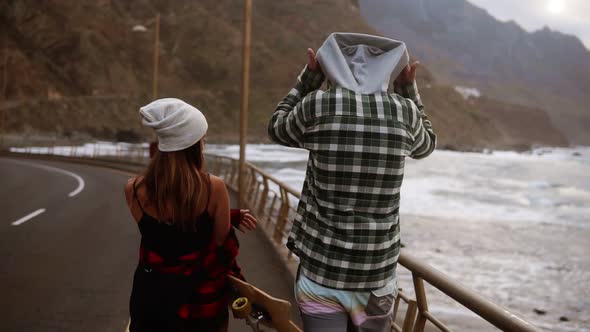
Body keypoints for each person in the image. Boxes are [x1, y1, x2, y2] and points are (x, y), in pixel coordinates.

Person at [268, 33, 436, 331]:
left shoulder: (318, 105)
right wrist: (409, 90)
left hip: (321, 271)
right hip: (376, 276)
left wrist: (309, 79)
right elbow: (426, 146)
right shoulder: (404, 112)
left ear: (330, 64)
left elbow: (277, 128)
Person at [124, 98, 257, 332]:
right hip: (200, 304)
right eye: (202, 139)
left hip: (151, 301)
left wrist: (229, 214)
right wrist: (227, 214)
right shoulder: (214, 188)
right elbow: (219, 243)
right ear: (194, 145)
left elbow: (167, 234)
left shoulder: (133, 189)